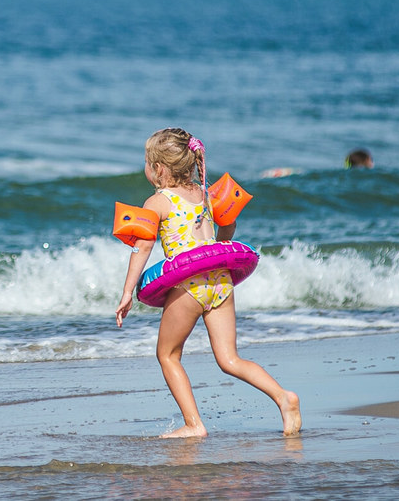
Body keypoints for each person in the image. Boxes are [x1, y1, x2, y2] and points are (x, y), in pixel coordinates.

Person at [115, 128, 301, 438]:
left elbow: (143, 247)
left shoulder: (158, 202)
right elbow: (228, 227)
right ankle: (284, 397)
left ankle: (193, 424)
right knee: (230, 359)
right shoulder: (206, 194)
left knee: (168, 355)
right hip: (220, 282)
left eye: (147, 162)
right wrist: (217, 254)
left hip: (188, 286)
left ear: (158, 168)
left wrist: (126, 293)